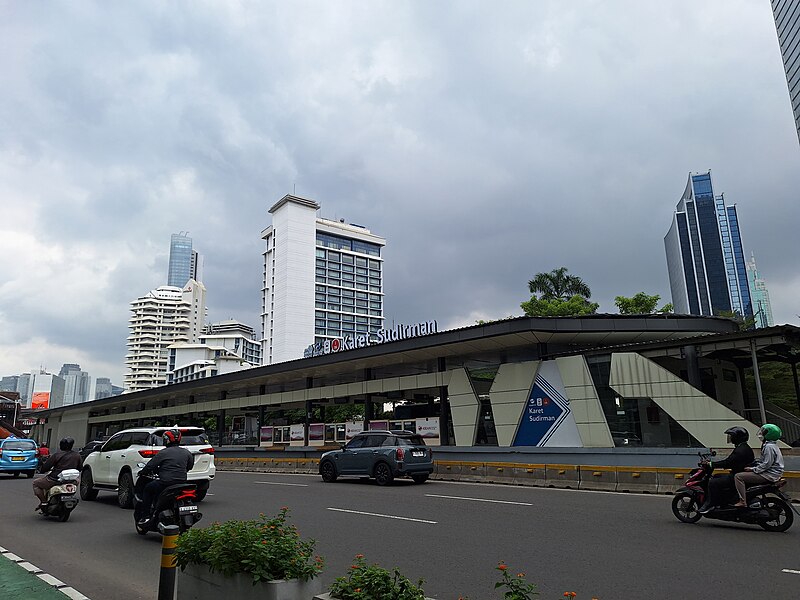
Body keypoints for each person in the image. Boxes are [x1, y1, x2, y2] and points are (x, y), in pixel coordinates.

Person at [136, 428, 194, 525]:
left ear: (166, 440)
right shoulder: (187, 452)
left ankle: (145, 516)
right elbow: (189, 466)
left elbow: (150, 466)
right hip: (182, 483)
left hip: (165, 483)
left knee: (147, 489)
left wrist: (142, 472)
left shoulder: (163, 453)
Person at [697, 426, 754, 513]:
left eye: (732, 436)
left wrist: (711, 464)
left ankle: (711, 504)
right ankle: (723, 501)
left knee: (713, 482)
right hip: (738, 473)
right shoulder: (744, 447)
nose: (730, 438)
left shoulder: (740, 450)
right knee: (717, 476)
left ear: (737, 437)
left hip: (737, 475)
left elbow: (727, 462)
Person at [733, 423, 785, 508]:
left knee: (738, 476)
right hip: (772, 473)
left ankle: (742, 501)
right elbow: (764, 462)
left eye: (764, 432)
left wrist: (753, 469)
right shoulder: (772, 445)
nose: (761, 434)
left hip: (769, 475)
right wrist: (754, 465)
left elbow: (766, 464)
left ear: (769, 434)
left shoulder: (769, 447)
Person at [33, 437, 82, 510]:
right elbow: (80, 468)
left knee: (36, 483)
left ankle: (44, 502)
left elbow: (46, 467)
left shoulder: (56, 455)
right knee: (78, 481)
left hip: (54, 480)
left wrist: (42, 470)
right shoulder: (77, 455)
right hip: (72, 481)